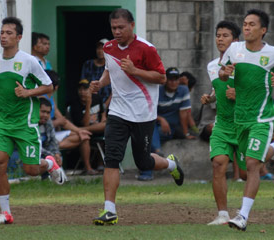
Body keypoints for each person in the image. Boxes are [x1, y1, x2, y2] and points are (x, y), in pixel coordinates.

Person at [90, 8, 184, 225]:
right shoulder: (109, 47)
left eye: (121, 27)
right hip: (117, 112)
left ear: (132, 26)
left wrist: (135, 70)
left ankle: (171, 165)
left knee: (143, 162)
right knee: (112, 158)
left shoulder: (146, 49)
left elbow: (161, 77)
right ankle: (109, 211)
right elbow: (109, 71)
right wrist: (100, 83)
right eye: (114, 28)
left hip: (143, 114)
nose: (117, 32)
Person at [0, 17, 66, 224]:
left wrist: (28, 92)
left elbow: (49, 87)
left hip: (25, 124)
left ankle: (48, 164)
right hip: (2, 122)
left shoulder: (29, 61)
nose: (4, 36)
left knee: (31, 170)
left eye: (9, 33)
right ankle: (6, 213)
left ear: (19, 37)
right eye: (2, 33)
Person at [219, 9, 274, 231]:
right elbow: (223, 74)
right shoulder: (234, 49)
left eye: (252, 24)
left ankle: (242, 216)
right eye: (244, 24)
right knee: (251, 165)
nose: (246, 28)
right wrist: (226, 73)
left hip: (262, 118)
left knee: (253, 165)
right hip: (240, 118)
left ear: (263, 30)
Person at [151, 67, 196, 155]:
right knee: (150, 132)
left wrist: (186, 134)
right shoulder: (158, 91)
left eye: (176, 80)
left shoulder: (183, 90)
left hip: (171, 127)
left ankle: (157, 152)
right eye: (171, 80)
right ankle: (157, 151)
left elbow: (184, 113)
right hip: (156, 124)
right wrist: (161, 119)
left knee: (154, 135)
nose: (173, 82)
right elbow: (150, 112)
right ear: (165, 80)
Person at [66, 79, 107, 174]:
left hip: (98, 128)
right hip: (85, 131)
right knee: (85, 137)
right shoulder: (75, 104)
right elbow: (85, 124)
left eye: (85, 89)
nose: (82, 92)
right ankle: (88, 168)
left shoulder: (97, 98)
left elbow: (103, 113)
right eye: (80, 89)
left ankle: (101, 165)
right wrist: (88, 104)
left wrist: (103, 119)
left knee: (108, 128)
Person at [81, 38, 112, 106]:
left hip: (108, 104)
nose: (100, 51)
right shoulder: (88, 64)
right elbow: (83, 84)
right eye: (98, 48)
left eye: (103, 49)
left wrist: (104, 106)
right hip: (90, 103)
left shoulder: (111, 66)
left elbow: (115, 89)